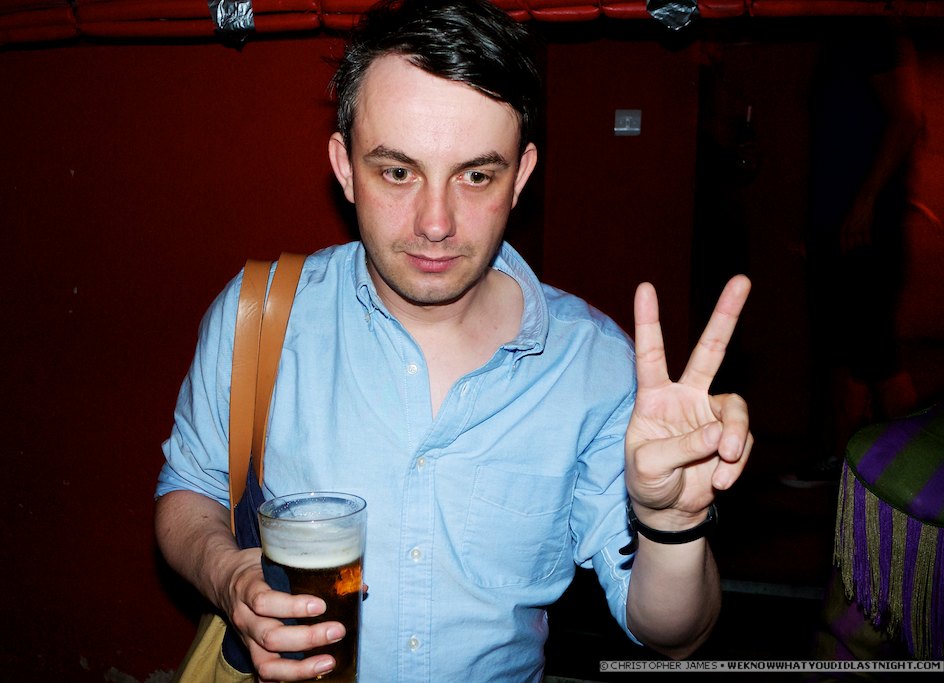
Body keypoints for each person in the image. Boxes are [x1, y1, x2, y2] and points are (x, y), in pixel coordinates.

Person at [155, 1, 753, 680]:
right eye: (397, 171)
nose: (435, 223)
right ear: (345, 167)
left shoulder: (595, 368)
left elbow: (674, 637)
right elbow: (188, 490)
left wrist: (672, 523)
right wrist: (228, 575)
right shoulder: (261, 315)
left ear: (520, 176)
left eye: (475, 175)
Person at [784, 17, 922, 488]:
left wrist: (865, 203)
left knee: (876, 353)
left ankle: (922, 480)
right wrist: (816, 228)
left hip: (865, 231)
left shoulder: (878, 31)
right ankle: (841, 464)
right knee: (841, 354)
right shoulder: (839, 37)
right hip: (834, 229)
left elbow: (906, 119)